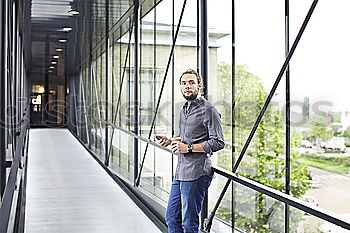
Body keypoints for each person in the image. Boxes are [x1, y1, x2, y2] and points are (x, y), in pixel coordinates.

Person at [156, 69, 225, 233]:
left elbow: (219, 142)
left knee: (189, 224)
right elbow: (188, 138)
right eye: (184, 83)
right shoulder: (184, 110)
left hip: (196, 174)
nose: (187, 86)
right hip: (180, 172)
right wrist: (171, 141)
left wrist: (188, 148)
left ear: (199, 85)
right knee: (172, 218)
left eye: (191, 82)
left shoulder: (209, 110)